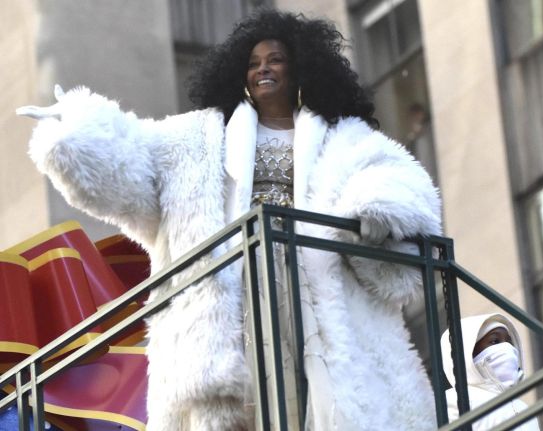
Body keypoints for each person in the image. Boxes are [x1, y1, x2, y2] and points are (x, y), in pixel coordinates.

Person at [17, 9, 441, 431]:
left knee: (326, 393)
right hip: (237, 291)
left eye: (274, 59)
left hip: (315, 290)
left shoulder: (344, 138)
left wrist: (377, 207)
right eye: (253, 63)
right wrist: (78, 128)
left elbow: (393, 177)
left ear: (300, 68)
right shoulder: (196, 140)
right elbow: (131, 160)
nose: (263, 69)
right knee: (252, 393)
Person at [440, 314, 540, 430]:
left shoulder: (524, 407)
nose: (506, 347)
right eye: (495, 341)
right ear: (469, 352)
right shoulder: (453, 401)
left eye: (509, 342)